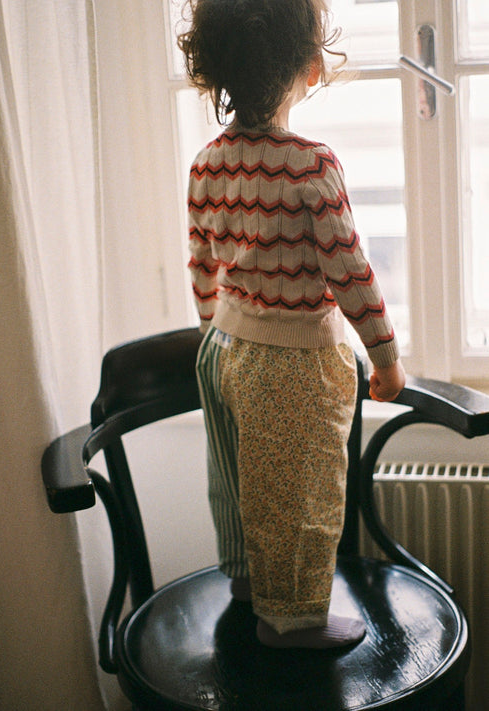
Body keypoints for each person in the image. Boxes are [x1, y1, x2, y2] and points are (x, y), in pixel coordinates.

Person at [177, 0, 406, 649]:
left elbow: (202, 263)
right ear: (309, 68)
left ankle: (250, 580)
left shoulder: (207, 163)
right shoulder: (309, 165)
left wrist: (214, 331)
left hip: (224, 349)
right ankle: (293, 618)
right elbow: (349, 270)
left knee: (240, 478)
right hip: (292, 361)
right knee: (300, 494)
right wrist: (385, 358)